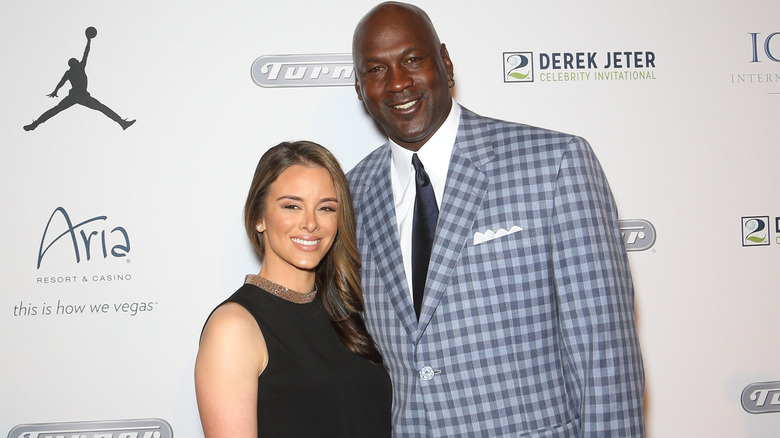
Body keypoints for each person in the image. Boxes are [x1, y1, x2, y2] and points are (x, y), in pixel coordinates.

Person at [348, 2, 645, 437]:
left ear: (445, 62)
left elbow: (605, 354)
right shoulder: (349, 194)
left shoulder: (554, 163)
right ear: (359, 88)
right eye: (375, 69)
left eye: (413, 59)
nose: (397, 82)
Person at [194, 141, 392, 438]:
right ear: (259, 217)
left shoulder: (349, 313)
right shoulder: (234, 327)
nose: (311, 223)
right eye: (292, 206)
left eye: (326, 208)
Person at [23, 27, 135, 131]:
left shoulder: (73, 70)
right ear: (73, 64)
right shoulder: (77, 69)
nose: (77, 61)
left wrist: (55, 91)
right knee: (100, 107)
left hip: (80, 96)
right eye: (75, 61)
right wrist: (88, 40)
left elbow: (85, 54)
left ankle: (121, 123)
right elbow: (85, 54)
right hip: (78, 96)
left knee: (56, 110)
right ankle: (121, 122)